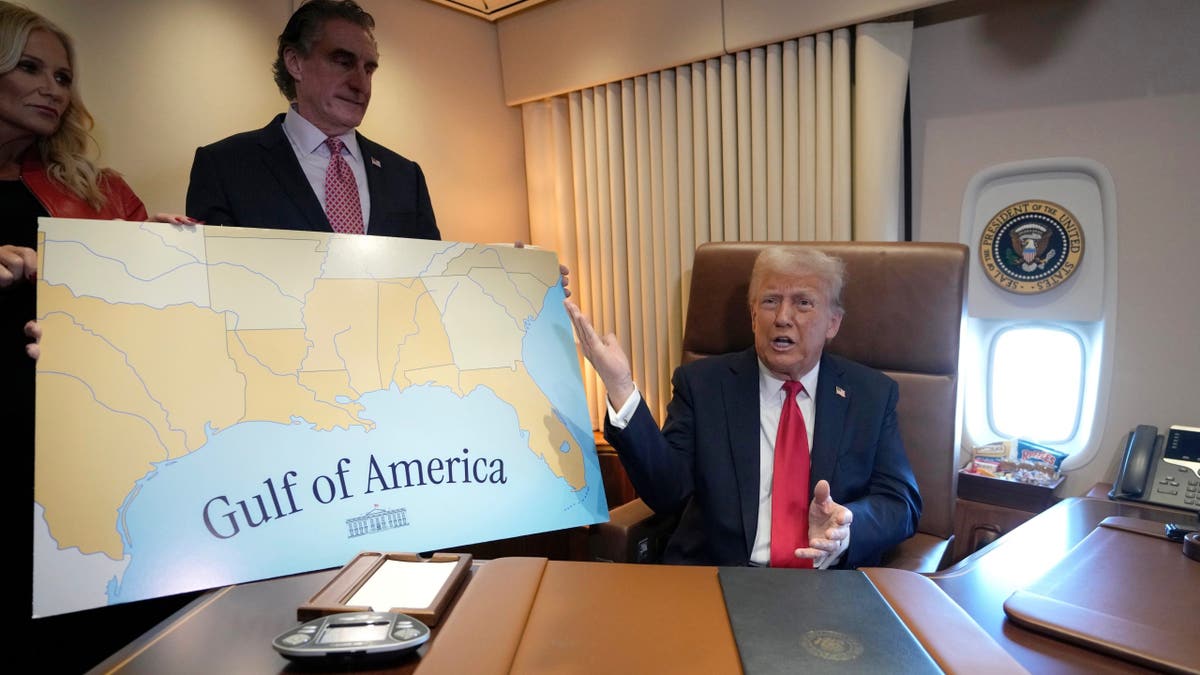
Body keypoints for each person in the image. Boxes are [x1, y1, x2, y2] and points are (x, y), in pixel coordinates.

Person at [0, 2, 198, 668]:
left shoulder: (100, 191)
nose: (53, 89)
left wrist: (169, 257)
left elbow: (166, 318)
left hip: (88, 445)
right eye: (29, 67)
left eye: (62, 76)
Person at [565, 246, 922, 569]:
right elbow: (666, 492)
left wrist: (847, 528)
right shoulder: (703, 385)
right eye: (769, 301)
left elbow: (900, 502)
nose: (782, 317)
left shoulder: (871, 395)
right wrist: (621, 387)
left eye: (803, 302)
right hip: (720, 580)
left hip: (827, 585)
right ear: (753, 317)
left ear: (833, 322)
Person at [185, 0, 438, 240]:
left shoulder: (406, 178)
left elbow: (431, 279)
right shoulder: (224, 167)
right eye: (343, 62)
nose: (361, 84)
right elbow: (214, 278)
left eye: (368, 69)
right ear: (295, 63)